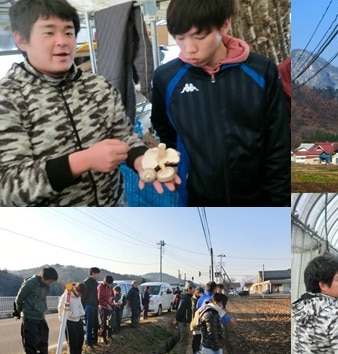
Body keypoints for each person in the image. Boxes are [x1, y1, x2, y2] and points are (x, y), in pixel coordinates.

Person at [0, 0, 178, 206]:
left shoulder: (98, 86)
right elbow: (6, 185)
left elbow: (124, 137)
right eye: (49, 33)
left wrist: (140, 160)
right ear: (21, 40)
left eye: (68, 32)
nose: (62, 41)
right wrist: (83, 161)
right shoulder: (8, 99)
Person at [151, 0, 290, 207]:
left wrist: (278, 204)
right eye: (180, 38)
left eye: (200, 36)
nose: (189, 49)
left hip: (258, 201)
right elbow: (165, 129)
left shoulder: (262, 72)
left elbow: (277, 145)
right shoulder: (166, 78)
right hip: (196, 200)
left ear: (224, 25)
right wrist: (174, 165)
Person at [14, 266, 58, 354]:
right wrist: (18, 312)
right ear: (43, 278)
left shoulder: (45, 286)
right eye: (50, 281)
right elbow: (19, 299)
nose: (50, 283)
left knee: (43, 343)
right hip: (29, 318)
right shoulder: (30, 284)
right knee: (31, 345)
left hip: (41, 317)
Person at [57, 282, 86, 354]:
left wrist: (81, 313)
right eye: (79, 293)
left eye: (81, 294)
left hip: (78, 319)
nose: (80, 295)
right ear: (75, 289)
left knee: (80, 338)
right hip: (69, 320)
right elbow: (61, 308)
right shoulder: (67, 295)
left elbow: (80, 306)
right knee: (72, 340)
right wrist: (72, 314)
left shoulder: (78, 297)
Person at [174, 281, 196, 354]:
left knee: (185, 340)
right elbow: (180, 310)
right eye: (193, 289)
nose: (194, 291)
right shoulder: (186, 298)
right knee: (183, 340)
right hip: (183, 322)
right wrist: (177, 319)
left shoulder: (187, 297)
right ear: (189, 289)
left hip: (185, 322)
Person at [82, 267, 100, 348]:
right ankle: (89, 342)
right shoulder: (87, 283)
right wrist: (83, 307)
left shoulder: (96, 283)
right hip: (89, 305)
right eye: (97, 274)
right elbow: (83, 296)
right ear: (92, 273)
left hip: (95, 305)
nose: (98, 275)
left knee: (95, 324)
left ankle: (94, 341)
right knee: (89, 324)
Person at [98, 275, 114, 344]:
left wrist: (112, 298)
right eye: (108, 283)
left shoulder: (110, 287)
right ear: (105, 281)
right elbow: (100, 299)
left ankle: (110, 334)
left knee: (110, 321)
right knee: (104, 323)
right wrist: (107, 305)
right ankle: (104, 337)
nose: (109, 285)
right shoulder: (100, 287)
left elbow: (113, 295)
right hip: (103, 307)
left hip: (110, 306)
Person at [191, 286, 205, 354]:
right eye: (199, 293)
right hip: (195, 320)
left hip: (200, 320)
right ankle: (194, 351)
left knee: (199, 336)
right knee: (195, 336)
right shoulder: (193, 300)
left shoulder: (200, 300)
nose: (200, 294)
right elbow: (194, 312)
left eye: (201, 293)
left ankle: (197, 349)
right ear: (196, 292)